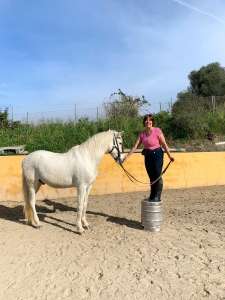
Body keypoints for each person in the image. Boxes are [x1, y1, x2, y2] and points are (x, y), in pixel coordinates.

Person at [123, 114, 174, 202]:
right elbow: (135, 146)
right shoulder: (142, 134)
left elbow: (164, 144)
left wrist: (170, 156)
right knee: (151, 176)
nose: (148, 122)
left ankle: (157, 196)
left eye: (150, 120)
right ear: (144, 122)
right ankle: (152, 195)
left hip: (157, 154)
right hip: (148, 155)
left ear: (152, 122)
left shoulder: (157, 130)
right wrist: (127, 157)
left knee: (157, 174)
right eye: (146, 120)